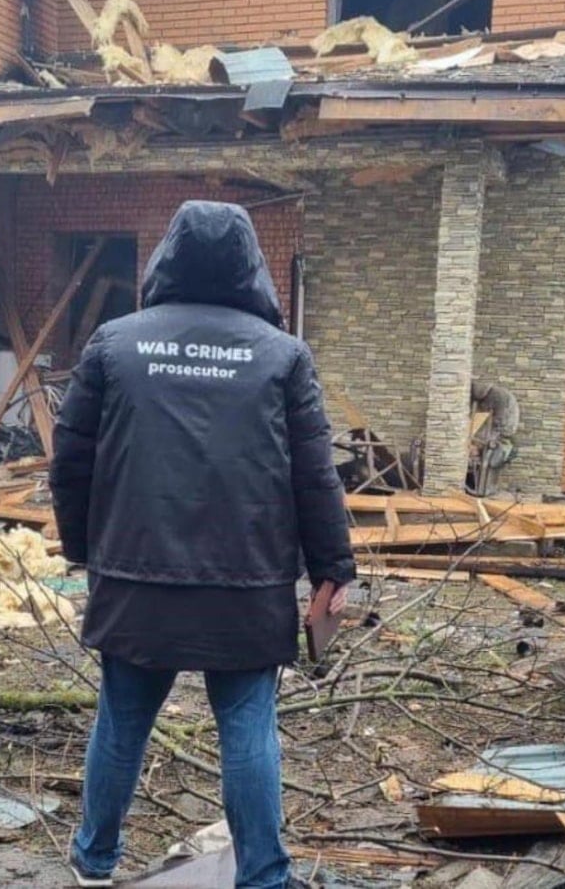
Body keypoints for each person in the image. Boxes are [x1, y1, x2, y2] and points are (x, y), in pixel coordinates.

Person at [51, 200, 355, 889]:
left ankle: (93, 864)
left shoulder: (114, 344)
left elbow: (70, 461)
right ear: (251, 264)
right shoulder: (283, 355)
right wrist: (332, 568)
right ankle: (264, 877)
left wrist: (86, 551)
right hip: (246, 584)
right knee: (247, 726)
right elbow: (314, 474)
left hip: (135, 577)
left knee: (121, 721)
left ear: (168, 257)